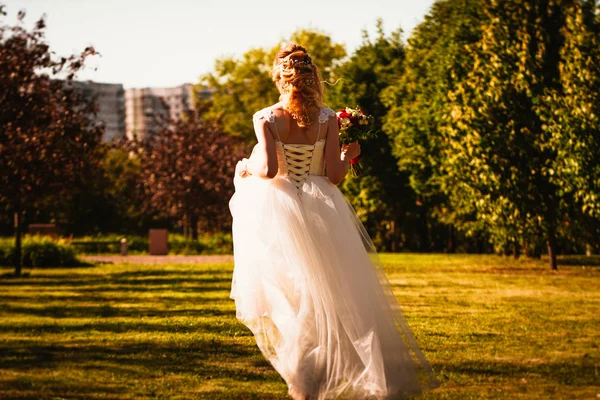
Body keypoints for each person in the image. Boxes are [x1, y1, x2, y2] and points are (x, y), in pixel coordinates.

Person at [229, 43, 438, 399]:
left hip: (281, 211)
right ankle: (325, 372)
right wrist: (347, 153)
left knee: (290, 291)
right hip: (321, 208)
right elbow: (335, 175)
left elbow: (270, 169)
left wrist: (244, 167)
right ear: (311, 79)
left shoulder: (265, 117)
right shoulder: (328, 119)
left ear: (280, 78)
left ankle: (303, 379)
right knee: (332, 289)